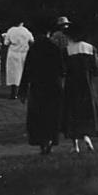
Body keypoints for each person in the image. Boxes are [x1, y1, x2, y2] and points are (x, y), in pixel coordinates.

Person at [19, 18, 70, 154]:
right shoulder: (54, 48)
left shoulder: (33, 49)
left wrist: (22, 90)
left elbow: (26, 71)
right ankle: (50, 141)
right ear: (48, 33)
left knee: (38, 116)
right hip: (53, 85)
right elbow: (62, 69)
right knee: (52, 115)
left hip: (37, 87)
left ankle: (41, 141)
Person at [62, 30, 98, 152]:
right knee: (87, 111)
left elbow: (63, 69)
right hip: (87, 85)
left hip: (72, 85)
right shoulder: (90, 48)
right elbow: (96, 70)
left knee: (72, 112)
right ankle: (87, 137)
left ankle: (75, 144)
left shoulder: (67, 50)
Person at [1, 18, 35, 98]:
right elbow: (32, 41)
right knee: (23, 73)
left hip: (13, 53)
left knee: (14, 73)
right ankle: (24, 93)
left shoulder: (11, 30)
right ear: (22, 23)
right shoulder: (26, 31)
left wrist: (4, 37)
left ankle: (14, 93)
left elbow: (6, 43)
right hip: (23, 53)